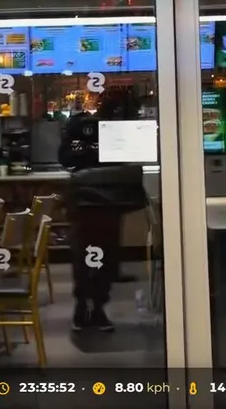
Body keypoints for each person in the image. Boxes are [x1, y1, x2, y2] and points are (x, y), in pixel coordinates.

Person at [59, 88, 149, 332]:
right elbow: (66, 157)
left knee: (93, 256)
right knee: (101, 256)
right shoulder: (88, 126)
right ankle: (91, 307)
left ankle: (88, 307)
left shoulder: (86, 126)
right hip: (100, 202)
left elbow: (66, 158)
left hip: (94, 202)